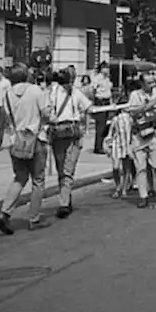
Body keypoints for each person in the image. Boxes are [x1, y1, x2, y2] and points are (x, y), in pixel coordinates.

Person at [0, 64, 52, 234]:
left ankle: (5, 212)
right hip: (36, 139)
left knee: (19, 177)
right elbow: (46, 114)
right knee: (38, 180)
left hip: (16, 140)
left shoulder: (7, 94)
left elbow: (6, 118)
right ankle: (34, 217)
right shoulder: (36, 91)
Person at [46, 67, 92, 219]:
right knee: (66, 169)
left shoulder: (51, 92)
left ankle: (64, 201)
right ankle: (65, 199)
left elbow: (46, 112)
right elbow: (88, 108)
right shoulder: (74, 92)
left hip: (58, 133)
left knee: (64, 169)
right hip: (71, 132)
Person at [126, 73, 156, 206]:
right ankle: (144, 195)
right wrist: (152, 102)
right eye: (149, 83)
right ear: (142, 84)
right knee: (140, 167)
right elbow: (134, 111)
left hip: (154, 132)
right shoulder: (135, 95)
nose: (152, 85)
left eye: (154, 82)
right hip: (139, 134)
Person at [90, 61, 114, 153]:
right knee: (100, 126)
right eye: (105, 67)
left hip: (107, 102)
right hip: (100, 102)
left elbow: (109, 92)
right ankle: (98, 147)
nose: (107, 69)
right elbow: (93, 90)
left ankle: (101, 145)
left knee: (104, 126)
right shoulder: (98, 78)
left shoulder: (107, 79)